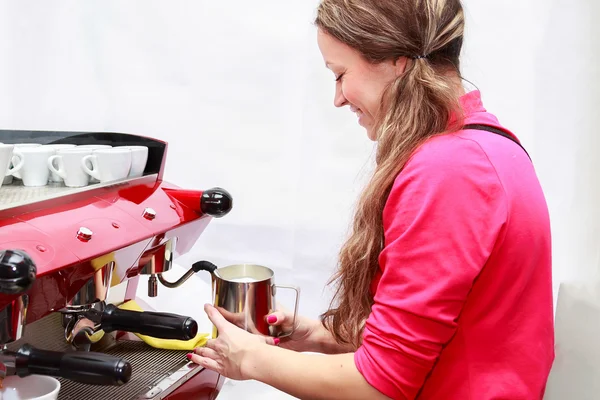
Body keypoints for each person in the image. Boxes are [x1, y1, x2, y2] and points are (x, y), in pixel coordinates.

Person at [188, 0, 555, 398]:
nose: (338, 98)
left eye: (340, 73)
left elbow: (379, 387)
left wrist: (249, 360)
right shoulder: (487, 145)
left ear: (397, 60)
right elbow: (449, 329)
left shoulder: (451, 169)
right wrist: (325, 337)